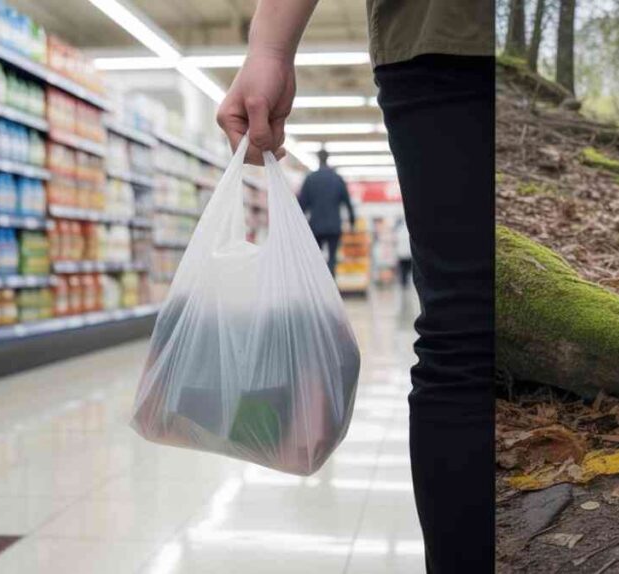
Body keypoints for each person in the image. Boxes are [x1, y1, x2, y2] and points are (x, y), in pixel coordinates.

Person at [215, 1, 495, 573]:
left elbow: (300, 201)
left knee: (458, 331)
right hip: (466, 33)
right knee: (474, 327)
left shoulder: (315, 177)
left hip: (433, 38)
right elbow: (341, 207)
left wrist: (270, 47)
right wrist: (340, 224)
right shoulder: (337, 180)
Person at [297, 148, 355, 276]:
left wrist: (298, 226)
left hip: (315, 225)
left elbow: (302, 204)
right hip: (334, 225)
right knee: (332, 258)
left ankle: (319, 286)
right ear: (328, 158)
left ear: (318, 158)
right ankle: (331, 286)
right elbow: (347, 202)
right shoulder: (337, 179)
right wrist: (352, 223)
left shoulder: (310, 179)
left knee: (316, 258)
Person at [394, 217, 413, 288]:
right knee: (408, 270)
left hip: (402, 254)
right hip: (408, 254)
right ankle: (407, 283)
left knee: (404, 270)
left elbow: (396, 242)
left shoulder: (398, 230)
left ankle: (404, 284)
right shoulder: (408, 230)